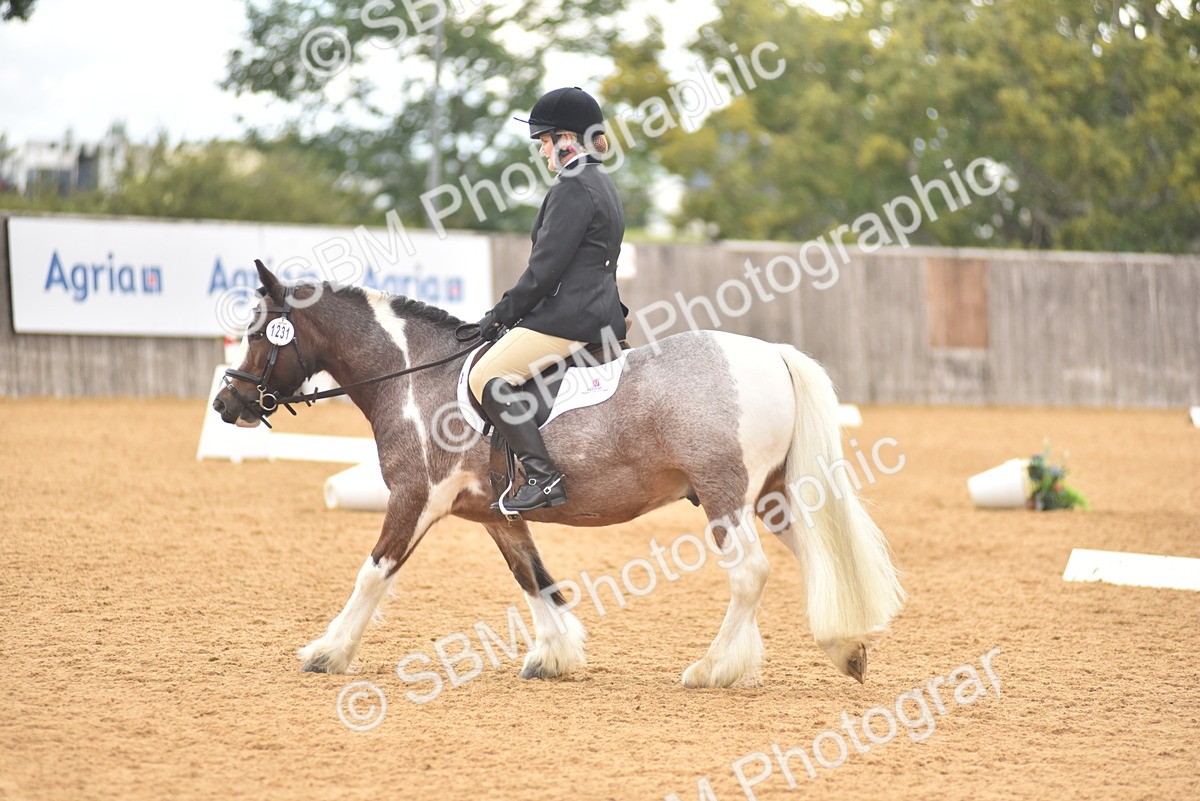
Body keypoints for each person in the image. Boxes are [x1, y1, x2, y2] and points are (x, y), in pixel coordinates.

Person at [469, 86, 627, 514]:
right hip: (602, 315)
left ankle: (543, 475)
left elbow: (544, 271)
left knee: (485, 376)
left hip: (569, 320)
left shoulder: (572, 187)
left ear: (567, 140)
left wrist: (498, 316)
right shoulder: (603, 183)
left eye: (544, 141)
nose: (542, 152)